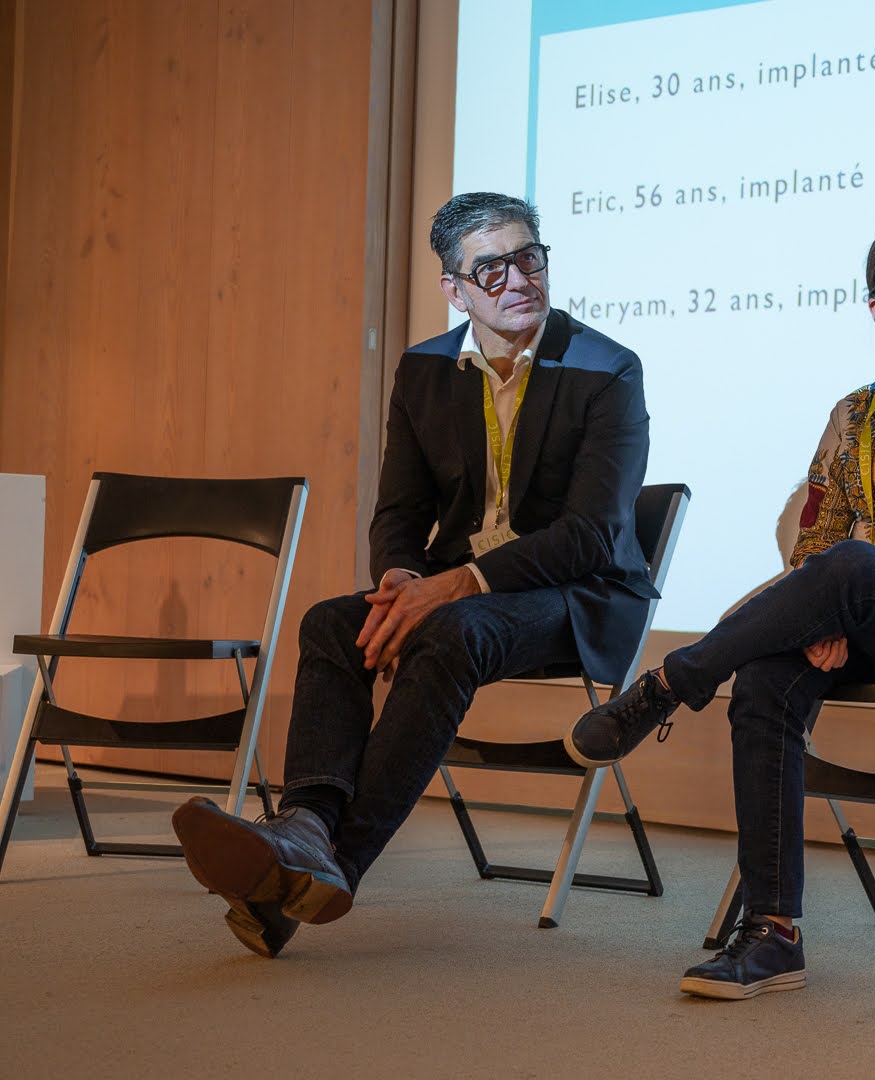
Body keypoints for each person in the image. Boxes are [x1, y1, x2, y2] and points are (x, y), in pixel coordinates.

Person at [170, 192, 655, 958]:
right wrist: (400, 579)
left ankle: (325, 859)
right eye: (490, 268)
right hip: (459, 595)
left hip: (579, 597)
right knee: (333, 623)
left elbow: (592, 535)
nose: (517, 279)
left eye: (528, 257)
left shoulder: (606, 368)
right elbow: (399, 510)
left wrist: (455, 584)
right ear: (454, 289)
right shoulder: (425, 368)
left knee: (452, 631)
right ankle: (307, 824)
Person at [566, 216, 875, 1000]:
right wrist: (833, 606)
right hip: (857, 613)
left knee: (851, 564)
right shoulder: (850, 413)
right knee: (763, 681)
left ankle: (668, 684)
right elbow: (814, 537)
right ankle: (772, 933)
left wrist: (849, 594)